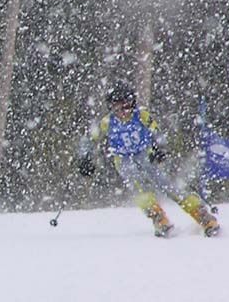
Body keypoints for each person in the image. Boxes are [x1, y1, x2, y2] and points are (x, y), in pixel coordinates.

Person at [78, 80, 220, 237]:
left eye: (126, 106)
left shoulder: (141, 116)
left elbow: (156, 132)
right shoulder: (107, 122)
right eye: (116, 107)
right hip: (123, 158)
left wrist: (159, 148)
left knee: (167, 184)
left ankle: (201, 215)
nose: (122, 111)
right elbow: (90, 140)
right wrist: (85, 158)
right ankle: (158, 217)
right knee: (139, 187)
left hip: (145, 153)